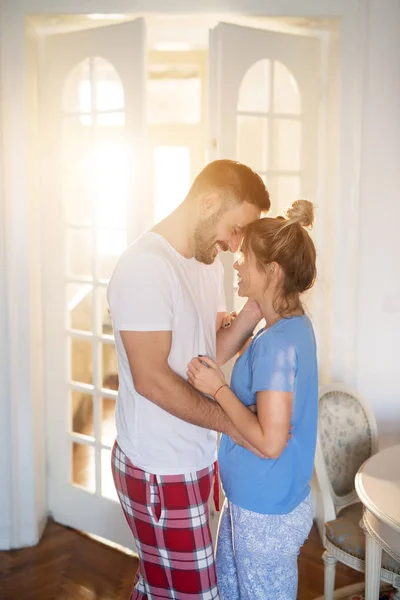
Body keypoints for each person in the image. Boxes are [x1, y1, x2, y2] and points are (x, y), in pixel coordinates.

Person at [107, 159, 270, 599]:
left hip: (196, 457)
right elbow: (153, 380)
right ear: (209, 202)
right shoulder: (145, 267)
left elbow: (206, 355)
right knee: (194, 593)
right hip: (158, 469)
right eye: (236, 229)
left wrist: (256, 307)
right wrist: (234, 422)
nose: (235, 245)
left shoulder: (206, 263)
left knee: (161, 586)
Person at [187, 200, 318, 600]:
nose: (237, 264)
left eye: (245, 257)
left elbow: (269, 441)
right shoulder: (291, 324)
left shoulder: (277, 345)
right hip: (258, 504)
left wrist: (217, 389)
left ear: (273, 271)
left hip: (266, 514)